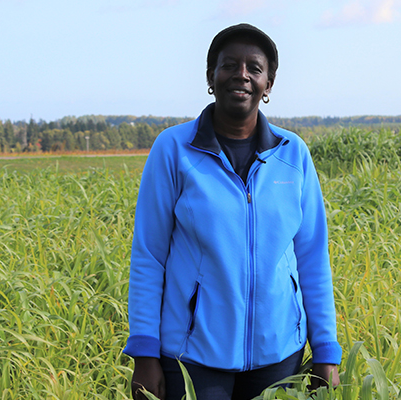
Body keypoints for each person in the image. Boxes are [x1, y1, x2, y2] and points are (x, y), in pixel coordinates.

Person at [124, 23, 342, 400]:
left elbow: (312, 258)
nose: (241, 75)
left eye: (254, 68)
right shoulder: (174, 150)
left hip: (279, 354)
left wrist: (325, 349)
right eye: (229, 65)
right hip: (192, 356)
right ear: (211, 76)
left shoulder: (293, 155)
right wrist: (145, 352)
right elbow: (149, 255)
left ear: (268, 84)